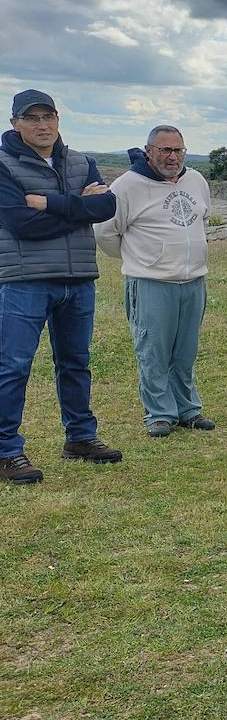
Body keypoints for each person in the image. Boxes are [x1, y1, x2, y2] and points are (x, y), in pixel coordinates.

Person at [0, 89, 122, 484]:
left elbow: (106, 207)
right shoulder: (2, 165)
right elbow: (22, 224)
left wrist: (50, 203)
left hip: (78, 279)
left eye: (47, 116)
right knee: (14, 367)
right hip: (25, 281)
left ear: (57, 119)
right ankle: (6, 452)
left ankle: (81, 437)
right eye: (31, 118)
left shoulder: (80, 161)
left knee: (75, 362)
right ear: (15, 123)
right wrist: (77, 207)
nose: (42, 125)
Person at [95, 125, 214, 438]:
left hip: (192, 281)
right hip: (151, 282)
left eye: (178, 150)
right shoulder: (127, 186)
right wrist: (139, 258)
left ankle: (188, 409)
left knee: (185, 352)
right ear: (149, 151)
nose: (172, 156)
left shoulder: (196, 180)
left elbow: (202, 219)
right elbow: (106, 232)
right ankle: (159, 414)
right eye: (165, 150)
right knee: (154, 351)